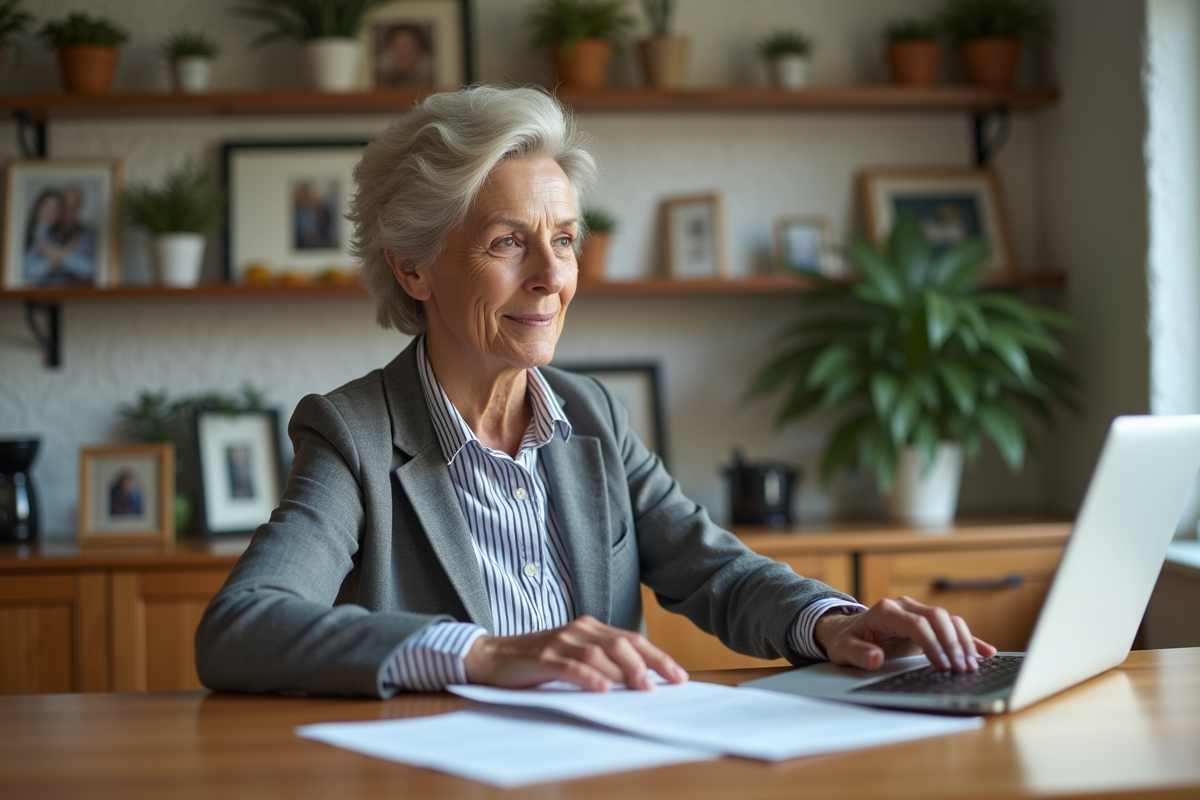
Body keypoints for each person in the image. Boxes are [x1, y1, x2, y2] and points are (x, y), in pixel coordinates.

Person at [195, 86, 995, 698]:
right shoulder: (354, 432)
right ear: (413, 266)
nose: (551, 278)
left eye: (566, 240)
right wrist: (483, 654)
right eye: (509, 242)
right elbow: (240, 626)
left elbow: (715, 570)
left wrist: (837, 622)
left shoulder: (591, 414)